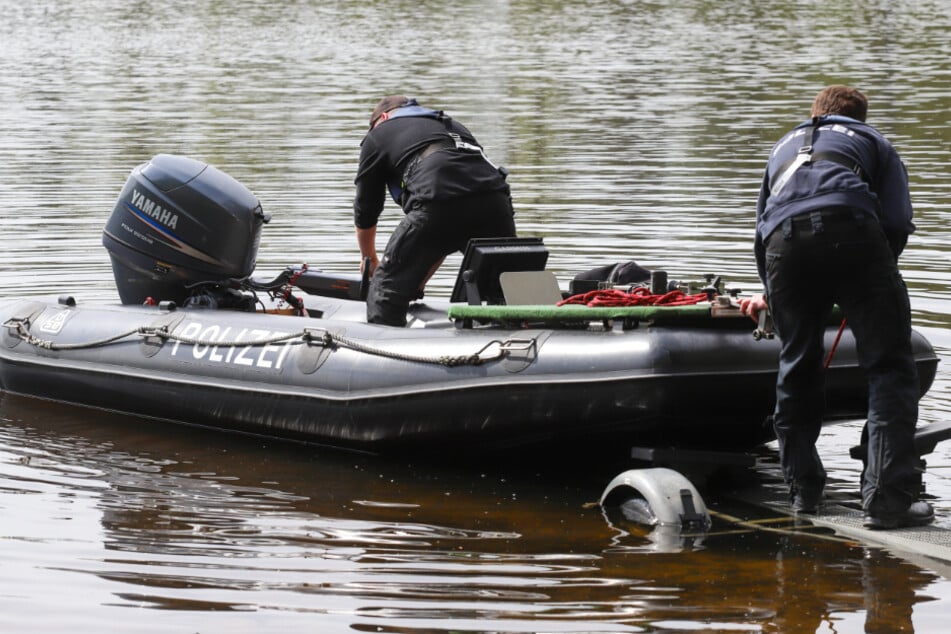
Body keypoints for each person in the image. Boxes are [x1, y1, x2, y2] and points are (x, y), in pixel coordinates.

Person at [740, 85, 933, 529]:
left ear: (814, 113)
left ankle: (803, 493)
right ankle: (887, 501)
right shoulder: (873, 141)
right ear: (860, 117)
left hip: (784, 246)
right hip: (854, 232)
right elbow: (897, 220)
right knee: (889, 367)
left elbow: (762, 228)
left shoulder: (784, 145)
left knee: (797, 362)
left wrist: (772, 291)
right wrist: (878, 276)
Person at [353, 95, 517, 326]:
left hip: (438, 200)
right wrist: (416, 281)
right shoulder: (450, 125)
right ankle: (524, 332)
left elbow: (366, 207)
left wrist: (368, 257)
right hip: (496, 203)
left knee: (385, 292)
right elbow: (441, 235)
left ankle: (382, 340)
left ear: (384, 117)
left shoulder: (379, 133)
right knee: (506, 290)